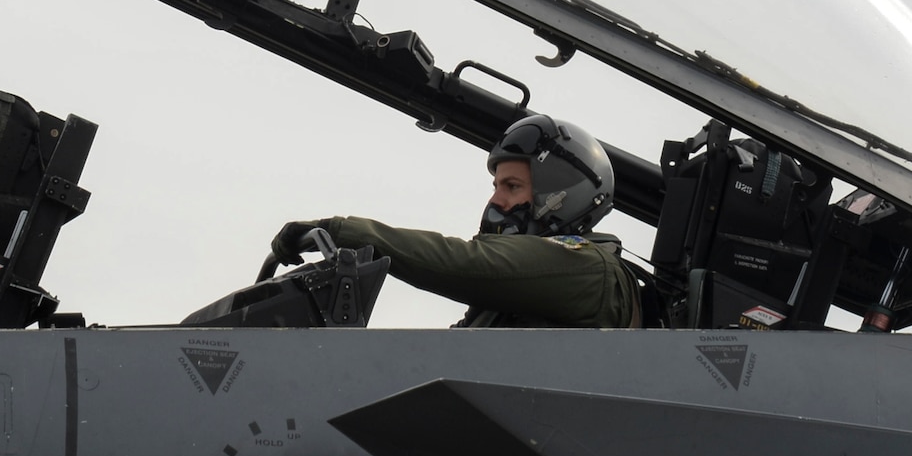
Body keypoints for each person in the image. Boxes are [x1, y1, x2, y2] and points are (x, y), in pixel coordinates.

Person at [269, 113, 639, 328]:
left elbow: (465, 262)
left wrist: (342, 231)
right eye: (496, 185)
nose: (496, 199)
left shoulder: (590, 269)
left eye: (512, 186)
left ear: (561, 195)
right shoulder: (506, 302)